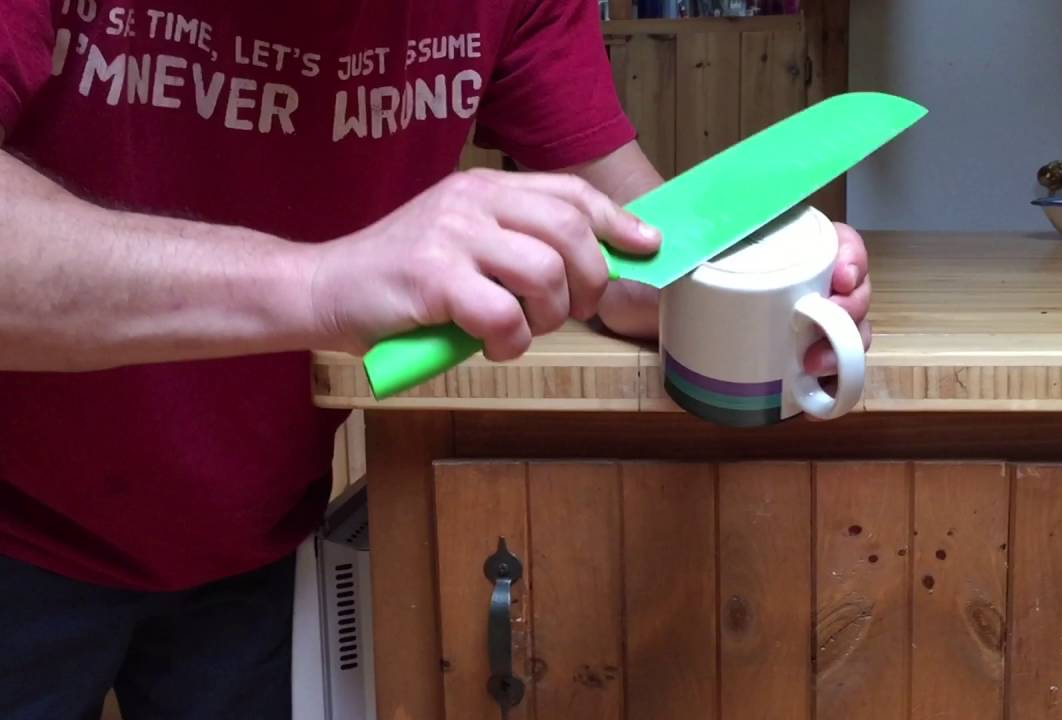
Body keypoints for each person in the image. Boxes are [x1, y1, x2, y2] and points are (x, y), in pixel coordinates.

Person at [0, 1, 872, 717]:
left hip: (252, 537)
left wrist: (755, 288)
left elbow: (631, 252)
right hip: (18, 523)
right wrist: (321, 282)